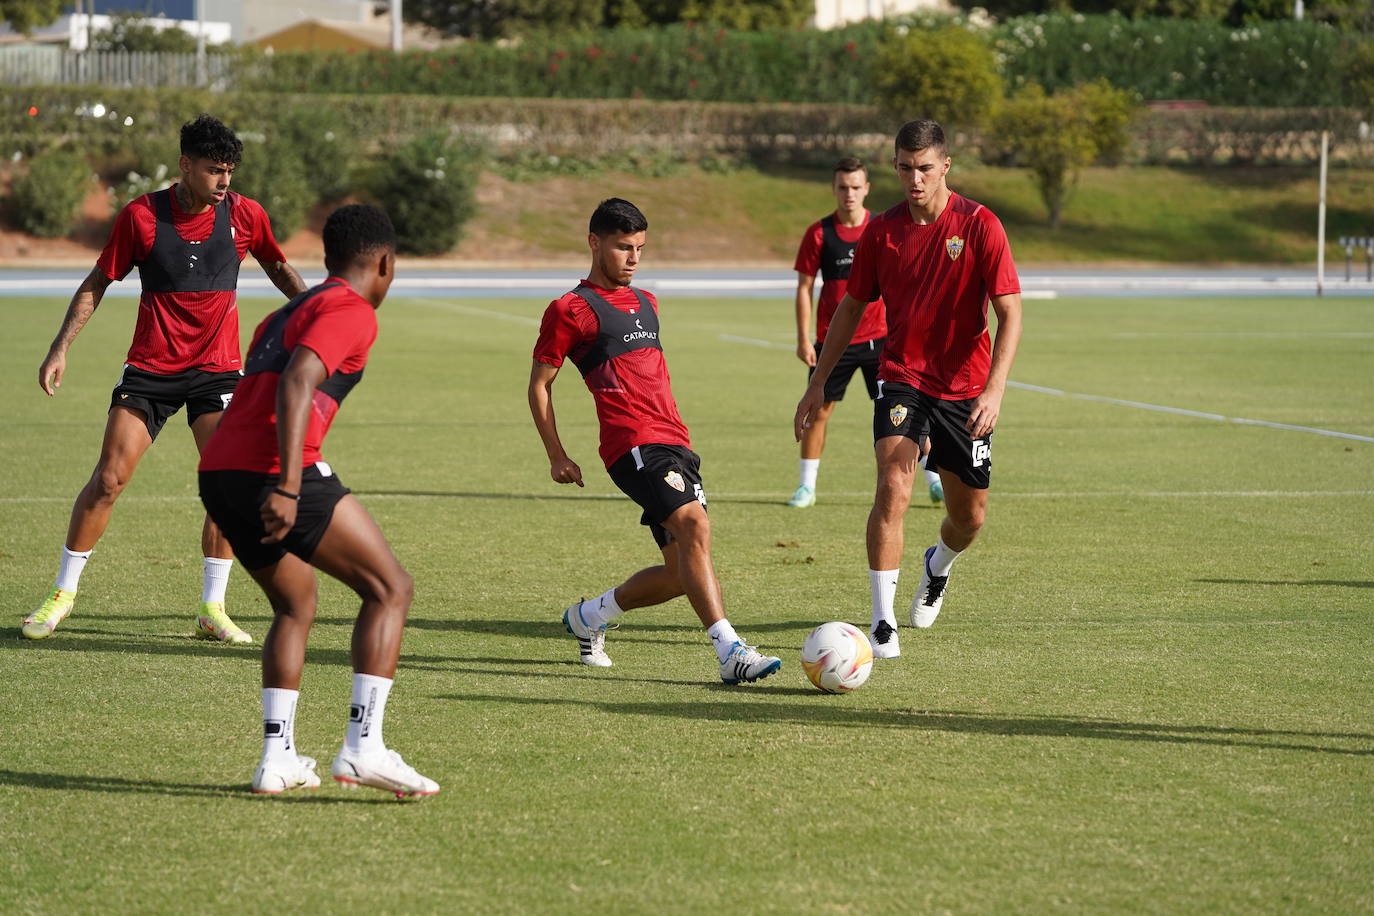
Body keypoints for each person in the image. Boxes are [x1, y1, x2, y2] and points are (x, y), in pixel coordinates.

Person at [23, 114, 307, 643]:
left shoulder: (246, 215)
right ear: (185, 166)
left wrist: (319, 313)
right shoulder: (141, 216)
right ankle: (61, 596)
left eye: (230, 171)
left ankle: (212, 608)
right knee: (108, 479)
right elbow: (98, 281)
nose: (224, 182)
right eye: (213, 170)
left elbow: (278, 266)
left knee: (227, 486)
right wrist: (60, 348)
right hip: (151, 370)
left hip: (217, 372)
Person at [198, 204, 438, 797]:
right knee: (391, 589)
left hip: (219, 471)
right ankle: (364, 748)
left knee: (295, 604)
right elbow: (299, 379)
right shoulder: (352, 309)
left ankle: (277, 760)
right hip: (273, 471)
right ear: (384, 263)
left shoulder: (285, 311)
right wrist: (287, 483)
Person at [793, 119, 1023, 661]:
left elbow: (1009, 312)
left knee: (970, 518)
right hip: (901, 377)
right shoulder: (883, 231)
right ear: (894, 167)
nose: (914, 178)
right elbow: (851, 306)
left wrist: (994, 392)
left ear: (945, 166)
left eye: (924, 168)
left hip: (966, 388)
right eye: (904, 167)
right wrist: (818, 380)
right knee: (893, 485)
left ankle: (937, 565)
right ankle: (882, 623)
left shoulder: (981, 224)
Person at [529, 198, 782, 685]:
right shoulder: (571, 309)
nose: (633, 258)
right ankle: (729, 651)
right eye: (623, 247)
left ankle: (589, 617)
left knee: (680, 572)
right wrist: (557, 454)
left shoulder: (647, 302)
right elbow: (540, 384)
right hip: (633, 445)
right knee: (695, 529)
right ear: (594, 243)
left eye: (640, 248)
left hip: (676, 443)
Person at [788, 157, 944, 509]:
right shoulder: (819, 233)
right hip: (835, 342)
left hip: (884, 343)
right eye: (843, 187)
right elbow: (804, 288)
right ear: (834, 189)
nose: (849, 194)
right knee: (819, 411)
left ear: (867, 189)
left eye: (856, 187)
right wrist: (803, 338)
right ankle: (806, 487)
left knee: (907, 412)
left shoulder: (883, 228)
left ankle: (934, 479)